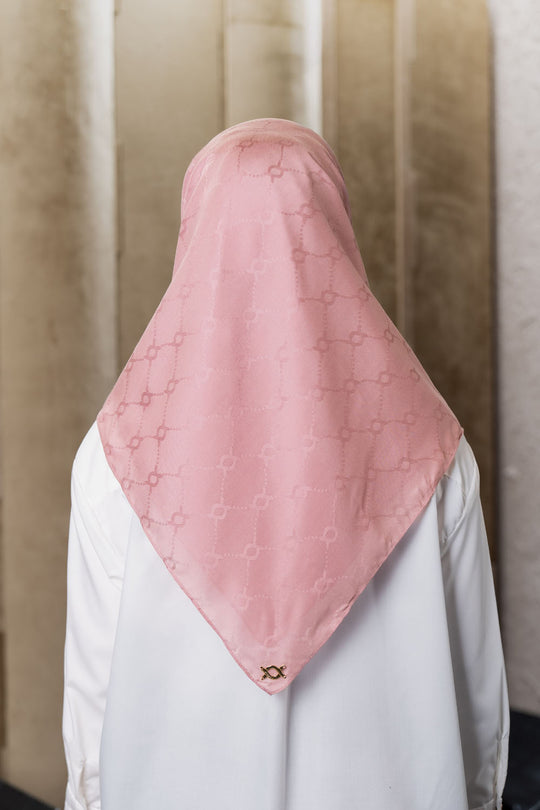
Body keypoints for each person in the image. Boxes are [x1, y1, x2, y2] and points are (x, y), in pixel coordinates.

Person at [61, 118, 509, 810]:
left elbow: (93, 705)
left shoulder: (116, 454)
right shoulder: (432, 449)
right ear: (333, 229)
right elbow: (477, 699)